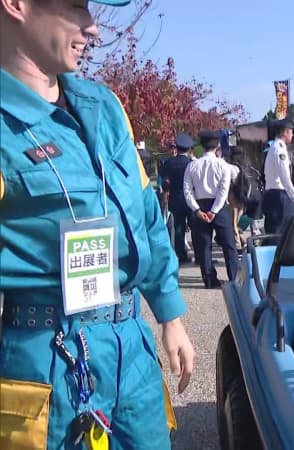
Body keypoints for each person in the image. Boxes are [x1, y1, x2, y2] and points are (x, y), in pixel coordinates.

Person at [0, 0, 194, 448]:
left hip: (131, 344)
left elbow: (146, 213)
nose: (93, 28)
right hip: (45, 357)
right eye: (74, 7)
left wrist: (170, 314)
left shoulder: (104, 107)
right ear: (15, 5)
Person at [183, 130, 240, 288]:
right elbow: (223, 190)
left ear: (201, 145)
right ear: (217, 146)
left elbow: (187, 190)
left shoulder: (192, 166)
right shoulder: (223, 165)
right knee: (229, 245)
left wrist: (196, 210)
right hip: (219, 207)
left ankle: (209, 280)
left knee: (204, 246)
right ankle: (234, 277)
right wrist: (214, 210)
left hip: (200, 205)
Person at [161, 133, 195, 263]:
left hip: (175, 199)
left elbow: (165, 182)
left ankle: (181, 255)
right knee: (195, 228)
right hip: (191, 199)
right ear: (188, 148)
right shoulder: (191, 163)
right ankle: (199, 254)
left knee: (179, 228)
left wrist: (166, 194)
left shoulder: (168, 163)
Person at [263, 124, 294, 234]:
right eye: (291, 132)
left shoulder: (274, 147)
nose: (292, 135)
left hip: (272, 194)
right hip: (279, 196)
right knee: (280, 232)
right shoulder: (279, 150)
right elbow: (284, 177)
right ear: (285, 133)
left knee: (273, 230)